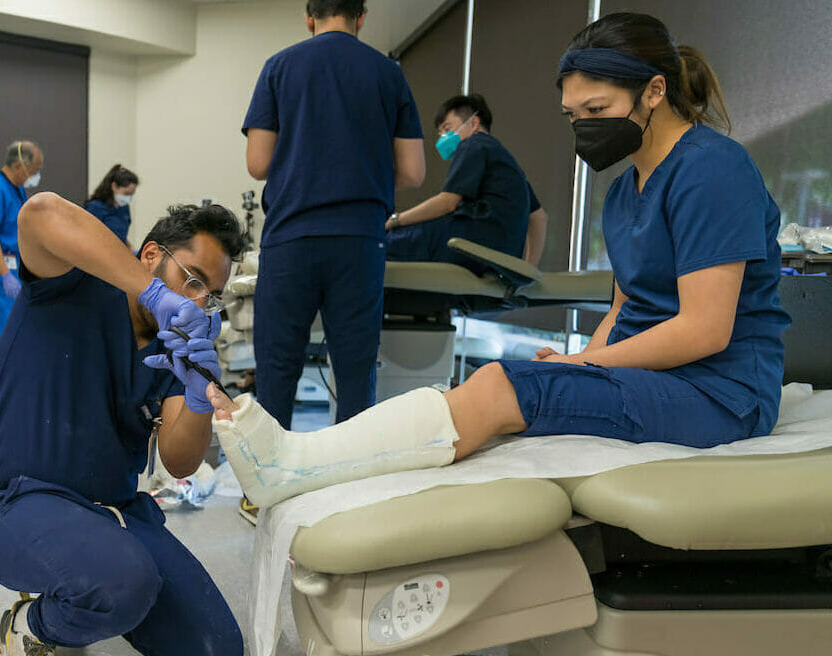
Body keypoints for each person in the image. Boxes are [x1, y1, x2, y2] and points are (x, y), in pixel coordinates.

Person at [208, 11, 791, 513]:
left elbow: (705, 329)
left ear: (655, 92)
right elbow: (628, 304)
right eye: (573, 115)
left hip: (719, 392)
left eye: (597, 107)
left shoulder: (712, 170)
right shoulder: (624, 191)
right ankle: (297, 464)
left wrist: (588, 368)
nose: (584, 125)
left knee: (495, 388)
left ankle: (294, 463)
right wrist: (584, 357)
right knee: (499, 390)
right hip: (650, 375)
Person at [0, 195, 247, 656]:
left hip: (111, 517)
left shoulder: (171, 350)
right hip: (12, 501)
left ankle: (94, 583)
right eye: (193, 279)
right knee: (123, 582)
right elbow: (39, 213)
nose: (199, 301)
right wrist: (156, 295)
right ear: (151, 254)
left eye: (212, 295)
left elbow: (181, 462)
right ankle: (32, 628)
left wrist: (202, 386)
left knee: (215, 653)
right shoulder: (73, 283)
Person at [242, 0, 426, 433]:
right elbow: (414, 172)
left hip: (291, 236)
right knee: (355, 368)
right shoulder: (388, 73)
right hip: (360, 240)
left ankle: (261, 492)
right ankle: (350, 490)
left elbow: (257, 163)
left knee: (277, 366)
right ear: (361, 17)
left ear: (309, 18)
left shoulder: (278, 67)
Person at [384, 93, 533, 275]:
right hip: (500, 258)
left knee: (382, 242)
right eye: (440, 133)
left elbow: (447, 203)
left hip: (472, 245)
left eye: (447, 129)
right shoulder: (507, 163)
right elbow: (539, 218)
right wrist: (524, 274)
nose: (442, 138)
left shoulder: (473, 144)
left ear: (473, 123)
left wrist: (395, 220)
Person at [0, 140, 43, 370]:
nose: (35, 176)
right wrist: (5, 274)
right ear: (18, 166)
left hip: (13, 265)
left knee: (14, 327)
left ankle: (11, 384)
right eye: (33, 171)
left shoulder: (17, 189)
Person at [84, 163, 139, 246]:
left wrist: (132, 252)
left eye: (132, 194)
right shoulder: (95, 207)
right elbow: (86, 237)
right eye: (126, 193)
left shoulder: (124, 208)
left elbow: (121, 236)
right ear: (114, 186)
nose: (129, 198)